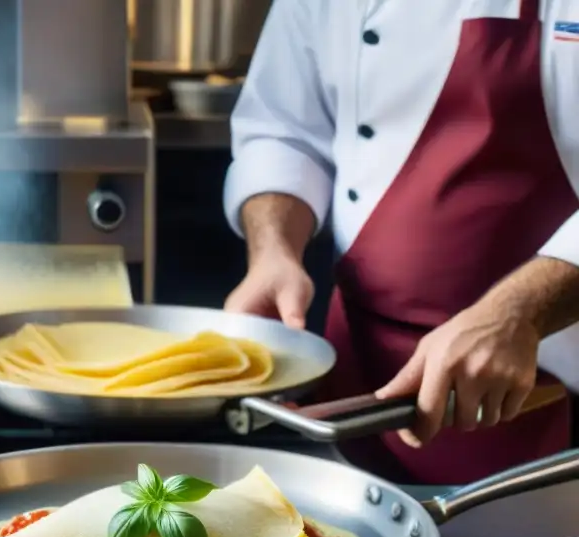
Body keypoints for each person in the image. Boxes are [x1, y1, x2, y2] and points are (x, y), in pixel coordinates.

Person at [223, 0, 579, 485]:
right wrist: (273, 252)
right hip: (355, 370)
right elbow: (283, 130)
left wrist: (519, 312)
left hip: (544, 374)